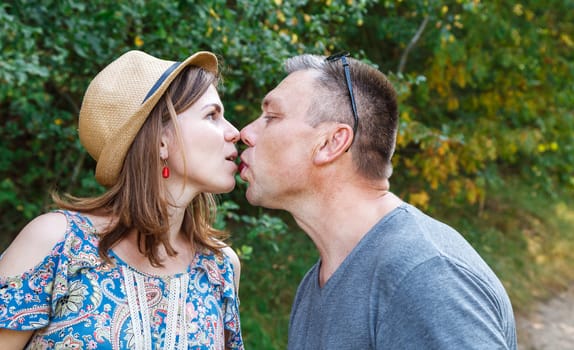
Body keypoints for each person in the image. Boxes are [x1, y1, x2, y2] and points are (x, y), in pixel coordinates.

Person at [239, 52, 517, 349]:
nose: (245, 133)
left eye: (271, 117)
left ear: (331, 143)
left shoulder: (425, 276)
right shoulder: (317, 283)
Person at [0, 50, 244, 349]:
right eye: (212, 115)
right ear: (160, 141)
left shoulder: (220, 267)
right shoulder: (58, 243)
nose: (234, 132)